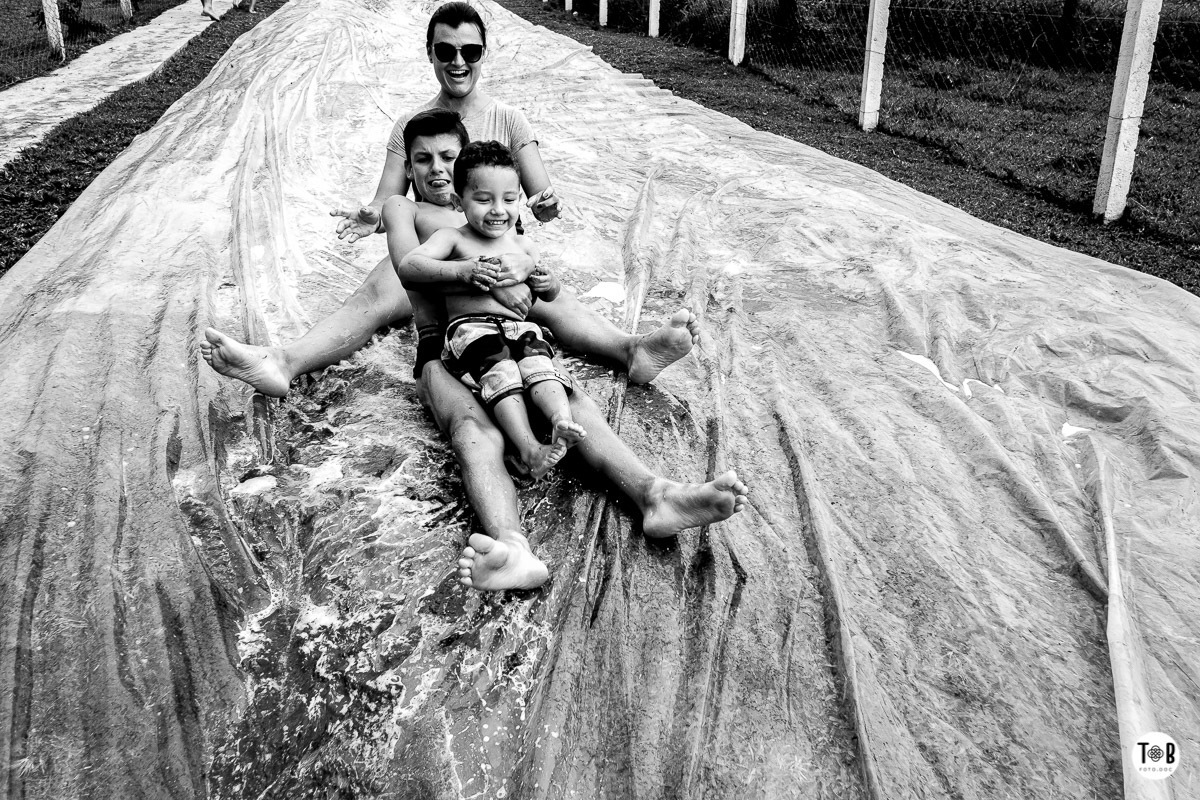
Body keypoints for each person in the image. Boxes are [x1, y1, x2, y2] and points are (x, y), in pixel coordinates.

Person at [200, 1, 699, 400]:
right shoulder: (413, 126)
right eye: (446, 51)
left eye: (470, 51)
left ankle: (630, 350)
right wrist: (370, 215)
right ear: (431, 54)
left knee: (549, 297)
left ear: (483, 54)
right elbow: (388, 202)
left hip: (499, 255)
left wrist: (546, 204)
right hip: (435, 259)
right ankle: (282, 361)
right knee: (375, 295)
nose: (458, 62)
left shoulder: (509, 118)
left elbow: (539, 191)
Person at [378, 112, 747, 592]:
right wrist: (478, 276)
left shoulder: (499, 219)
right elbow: (410, 271)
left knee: (570, 398)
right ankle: (510, 544)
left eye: (448, 157)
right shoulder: (411, 214)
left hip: (514, 334)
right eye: (423, 160)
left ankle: (657, 494)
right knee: (474, 431)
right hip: (449, 346)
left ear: (464, 163)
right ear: (409, 167)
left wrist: (530, 283)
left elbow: (537, 291)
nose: (437, 170)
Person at [400, 140, 586, 479]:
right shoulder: (452, 238)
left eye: (509, 199)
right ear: (459, 201)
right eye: (484, 200)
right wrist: (462, 270)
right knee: (504, 374)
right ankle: (529, 448)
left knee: (540, 366)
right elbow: (410, 266)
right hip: (472, 330)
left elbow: (548, 292)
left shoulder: (524, 245)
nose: (498, 210)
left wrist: (548, 284)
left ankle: (561, 421)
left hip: (521, 328)